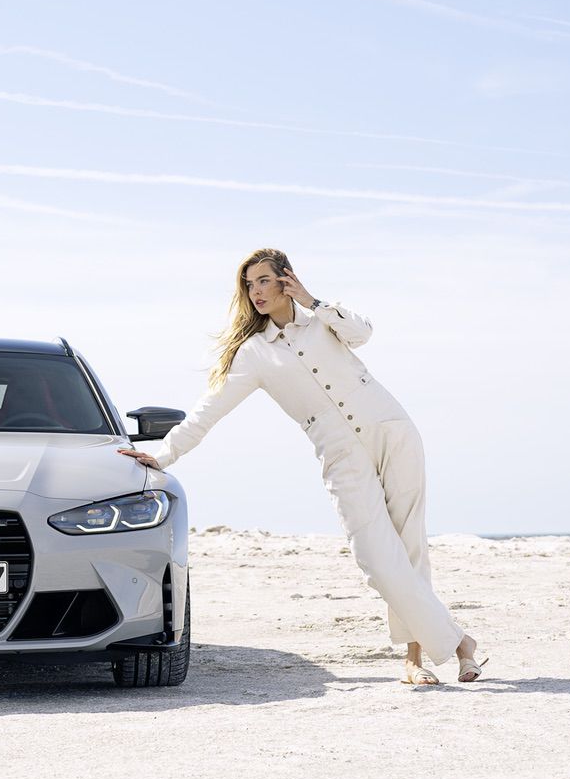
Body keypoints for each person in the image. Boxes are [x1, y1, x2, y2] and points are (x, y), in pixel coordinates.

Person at [118, 248, 487, 686]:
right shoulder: (254, 353)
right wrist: (164, 454)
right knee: (376, 558)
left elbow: (363, 332)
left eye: (263, 280)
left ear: (286, 279)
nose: (255, 291)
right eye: (249, 284)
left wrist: (313, 301)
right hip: (339, 451)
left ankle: (414, 658)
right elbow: (208, 410)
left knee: (410, 547)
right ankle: (459, 642)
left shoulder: (322, 319)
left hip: (390, 428)